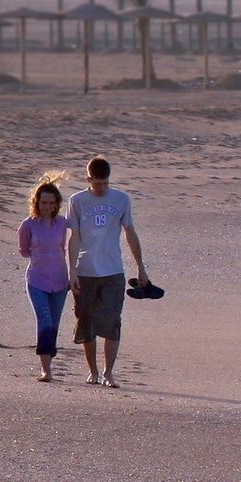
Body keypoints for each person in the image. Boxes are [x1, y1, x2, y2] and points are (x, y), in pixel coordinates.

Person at [64, 154, 149, 388]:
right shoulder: (77, 200)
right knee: (85, 321)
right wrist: (71, 271)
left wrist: (141, 266)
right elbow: (74, 237)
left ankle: (108, 373)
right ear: (88, 179)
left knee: (112, 321)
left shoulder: (121, 199)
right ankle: (93, 371)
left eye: (104, 183)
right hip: (85, 270)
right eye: (96, 183)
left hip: (113, 271)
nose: (100, 188)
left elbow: (130, 232)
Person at [18, 175, 70, 383]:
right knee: (45, 320)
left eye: (51, 203)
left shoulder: (63, 224)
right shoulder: (28, 225)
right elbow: (23, 251)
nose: (47, 206)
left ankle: (49, 357)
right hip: (37, 280)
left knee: (54, 324)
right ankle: (46, 370)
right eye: (43, 202)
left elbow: (77, 238)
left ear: (57, 204)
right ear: (36, 202)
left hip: (60, 281)